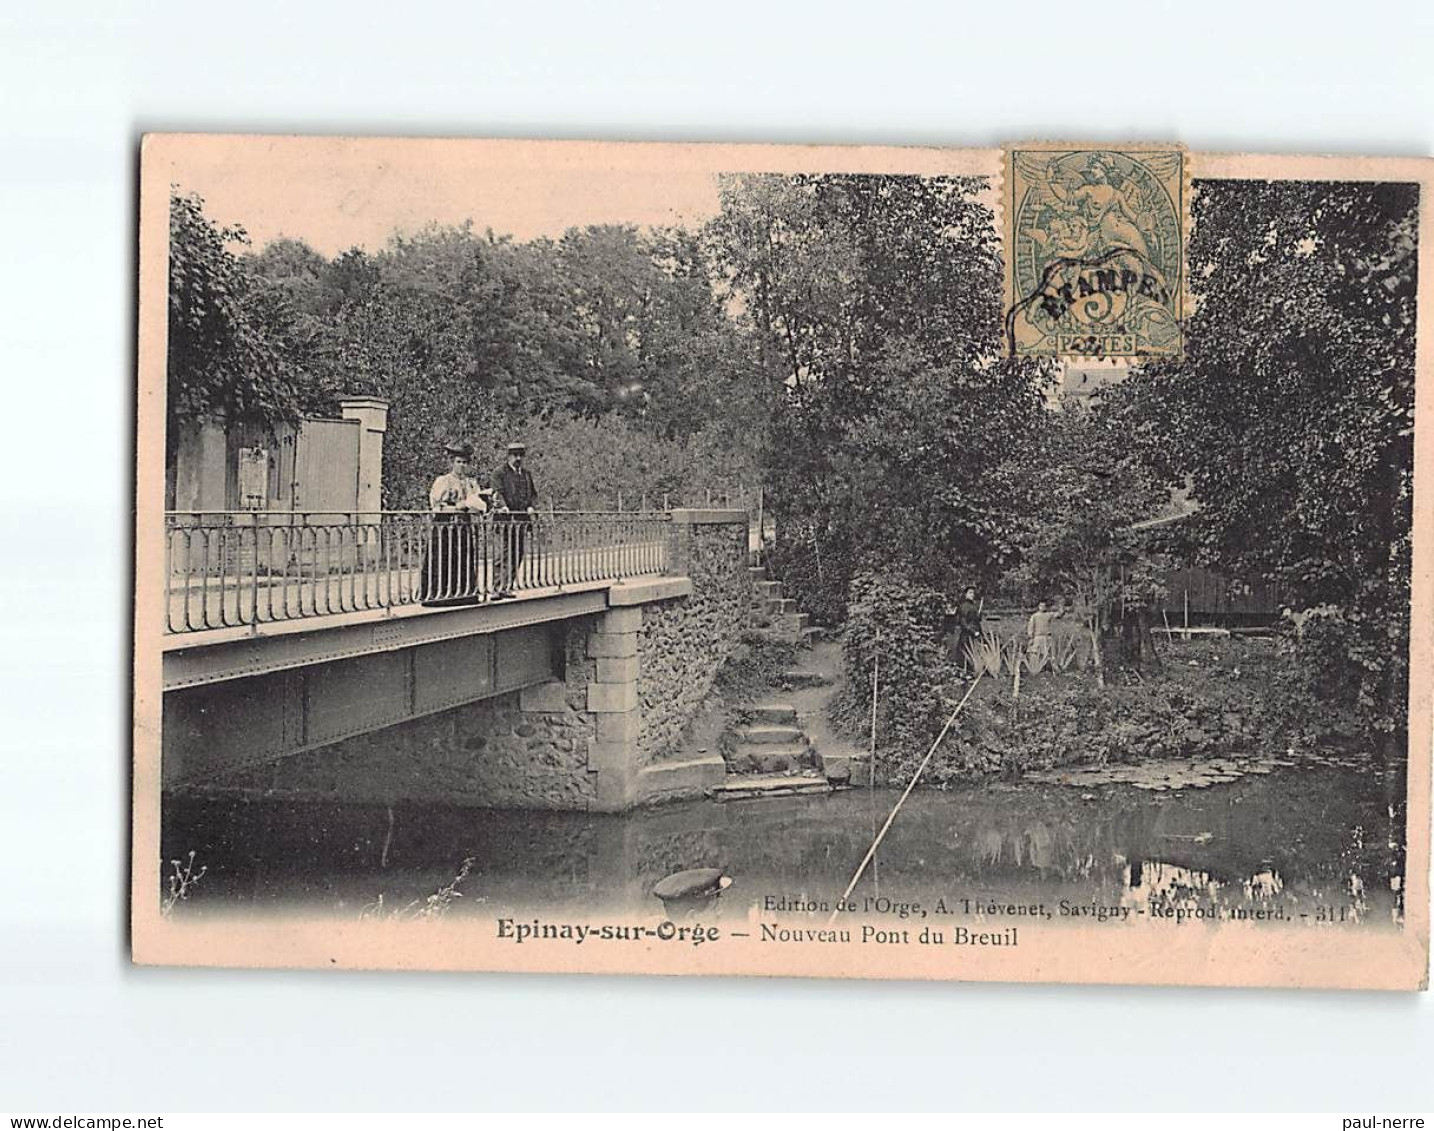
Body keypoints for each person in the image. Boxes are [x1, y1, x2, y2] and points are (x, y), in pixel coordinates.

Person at [420, 440, 489, 606]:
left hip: (463, 526)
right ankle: (439, 596)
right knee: (443, 559)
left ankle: (464, 594)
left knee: (463, 559)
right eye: (458, 462)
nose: (462, 466)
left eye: (465, 462)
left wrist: (479, 505)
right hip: (445, 526)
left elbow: (476, 503)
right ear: (452, 462)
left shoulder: (471, 483)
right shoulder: (443, 481)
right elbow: (436, 506)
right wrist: (459, 506)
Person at [492, 440, 538, 598]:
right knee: (504, 554)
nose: (518, 459)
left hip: (521, 520)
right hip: (505, 520)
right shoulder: (499, 472)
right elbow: (497, 493)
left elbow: (532, 494)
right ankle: (497, 587)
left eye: (520, 456)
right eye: (514, 455)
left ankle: (507, 585)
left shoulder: (526, 474)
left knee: (517, 554)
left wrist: (531, 506)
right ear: (508, 456)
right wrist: (503, 506)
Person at [1025, 599, 1063, 668]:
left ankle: (1049, 668)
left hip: (1047, 637)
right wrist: (1031, 636)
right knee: (1035, 653)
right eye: (1041, 606)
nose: (1042, 607)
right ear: (1038, 607)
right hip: (1037, 637)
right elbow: (1030, 627)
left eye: (1044, 606)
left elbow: (1059, 614)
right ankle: (1036, 667)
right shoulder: (1034, 616)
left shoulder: (1048, 615)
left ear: (1045, 607)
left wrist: (1060, 605)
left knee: (1049, 653)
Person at [956, 587, 983, 677]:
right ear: (965, 594)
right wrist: (972, 631)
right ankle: (964, 673)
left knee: (975, 652)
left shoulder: (973, 606)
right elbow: (963, 622)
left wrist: (979, 615)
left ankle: (972, 672)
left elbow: (976, 619)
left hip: (975, 634)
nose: (972, 594)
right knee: (966, 653)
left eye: (973, 593)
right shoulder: (964, 606)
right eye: (970, 593)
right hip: (967, 635)